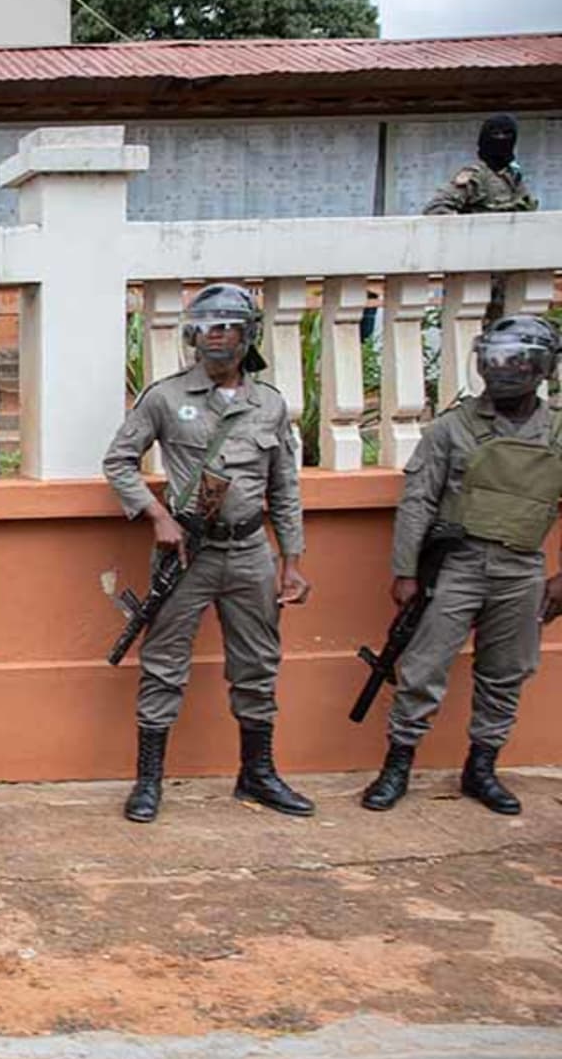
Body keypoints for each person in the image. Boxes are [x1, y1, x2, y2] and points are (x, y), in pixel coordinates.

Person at [103, 284, 314, 824]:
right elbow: (120, 461)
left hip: (250, 552)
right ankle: (148, 781)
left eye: (230, 325)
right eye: (207, 326)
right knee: (164, 665)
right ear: (192, 334)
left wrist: (291, 559)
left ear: (250, 335)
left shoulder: (268, 404)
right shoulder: (166, 397)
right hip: (187, 555)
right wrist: (158, 517)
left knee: (258, 664)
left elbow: (284, 486)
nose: (218, 335)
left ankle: (258, 773)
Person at [360, 315, 562, 816]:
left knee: (506, 672)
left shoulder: (556, 431)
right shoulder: (453, 427)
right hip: (456, 563)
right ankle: (397, 766)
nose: (505, 371)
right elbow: (419, 501)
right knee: (423, 668)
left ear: (542, 368)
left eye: (519, 361)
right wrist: (406, 572)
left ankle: (482, 768)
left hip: (522, 566)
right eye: (495, 360)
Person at [424, 114, 540, 325]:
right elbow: (436, 210)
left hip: (510, 271)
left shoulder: (513, 177)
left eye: (508, 134)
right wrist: (470, 239)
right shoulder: (475, 176)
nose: (502, 139)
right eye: (495, 134)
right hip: (480, 272)